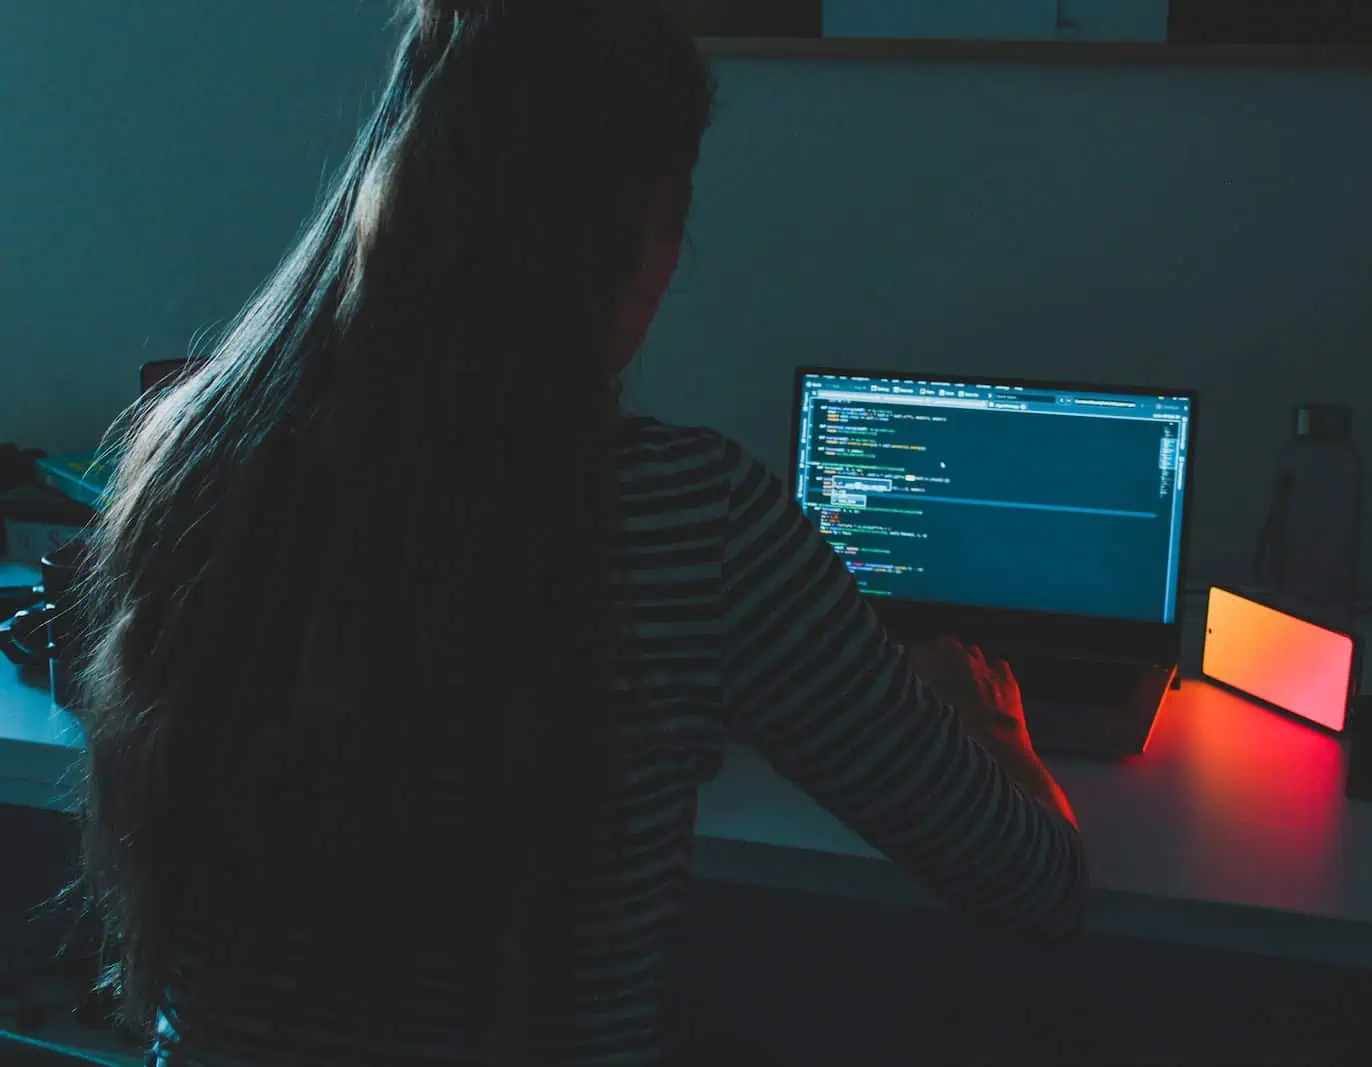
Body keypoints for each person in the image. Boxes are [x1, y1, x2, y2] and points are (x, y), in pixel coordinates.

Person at [71, 1, 1086, 1065]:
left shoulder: (185, 454)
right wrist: (995, 728)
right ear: (642, 239)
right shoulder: (691, 518)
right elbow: (1036, 883)